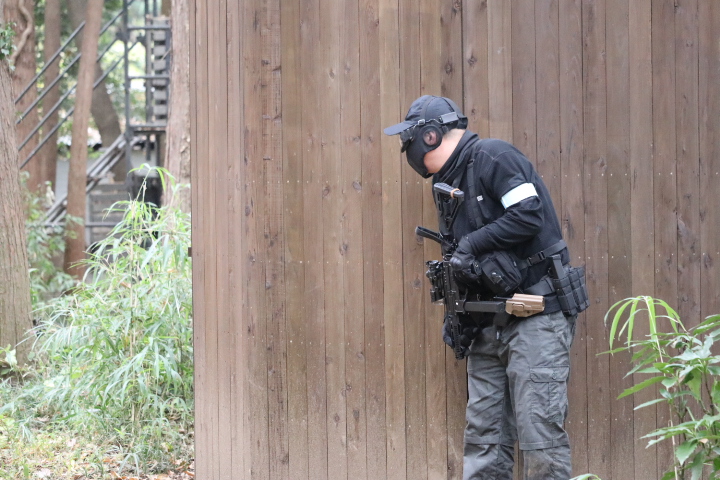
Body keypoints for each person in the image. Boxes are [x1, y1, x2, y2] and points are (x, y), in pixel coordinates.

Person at [384, 95, 584, 480]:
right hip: (487, 324)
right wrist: (458, 318)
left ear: (430, 135)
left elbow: (528, 215)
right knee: (484, 440)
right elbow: (460, 259)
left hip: (536, 316)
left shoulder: (494, 157)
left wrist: (472, 245)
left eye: (409, 140)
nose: (407, 150)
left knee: (540, 438)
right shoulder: (448, 183)